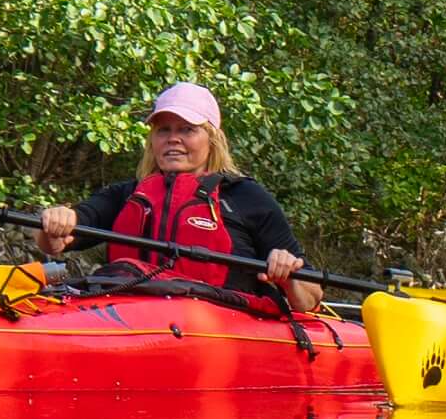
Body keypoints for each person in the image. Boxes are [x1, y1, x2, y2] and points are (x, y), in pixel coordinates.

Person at [37, 82, 311, 313]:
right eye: (163, 130)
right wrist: (58, 221)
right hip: (133, 319)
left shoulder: (246, 197)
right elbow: (57, 242)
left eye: (187, 130)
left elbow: (310, 298)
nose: (173, 139)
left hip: (218, 331)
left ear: (212, 139)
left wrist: (287, 277)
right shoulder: (127, 194)